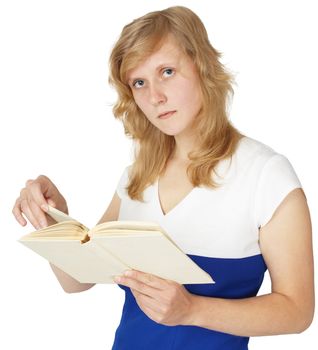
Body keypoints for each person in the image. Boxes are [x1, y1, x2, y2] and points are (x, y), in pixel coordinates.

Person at [12, 6, 314, 350]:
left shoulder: (266, 176)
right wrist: (52, 219)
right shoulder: (136, 178)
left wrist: (192, 310)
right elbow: (77, 281)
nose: (154, 97)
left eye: (167, 72)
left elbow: (297, 310)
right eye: (139, 83)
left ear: (202, 66)